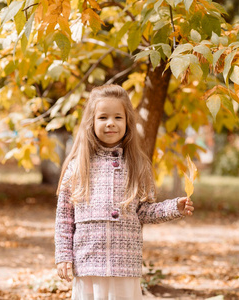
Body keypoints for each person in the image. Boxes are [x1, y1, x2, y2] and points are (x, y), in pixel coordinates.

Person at [55, 84, 194, 300]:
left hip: (124, 263)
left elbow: (144, 211)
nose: (111, 123)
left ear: (128, 122)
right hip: (88, 261)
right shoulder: (77, 167)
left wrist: (174, 207)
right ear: (91, 122)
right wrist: (64, 255)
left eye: (118, 117)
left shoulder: (138, 165)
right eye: (103, 117)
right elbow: (64, 219)